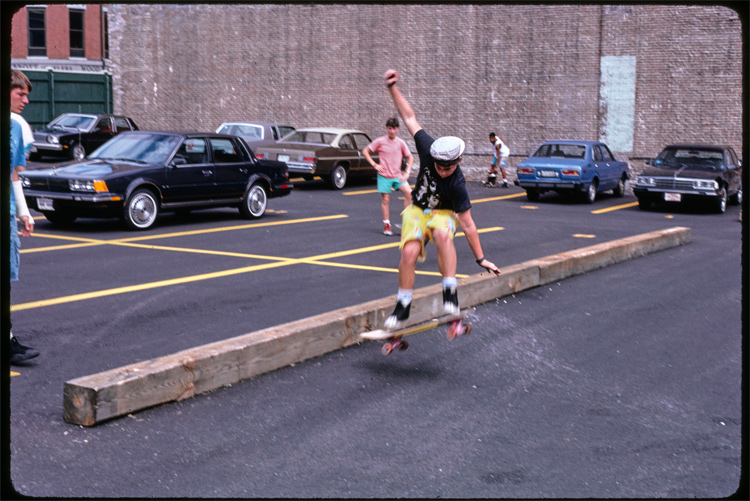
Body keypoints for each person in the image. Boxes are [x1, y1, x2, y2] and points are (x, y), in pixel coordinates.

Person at [382, 69, 501, 329]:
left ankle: (450, 293)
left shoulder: (458, 184)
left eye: (447, 168)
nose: (442, 171)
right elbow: (410, 117)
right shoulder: (428, 147)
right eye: (438, 167)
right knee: (409, 252)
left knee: (444, 236)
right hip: (417, 210)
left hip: (443, 214)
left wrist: (481, 259)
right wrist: (392, 88)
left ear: (458, 162)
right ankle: (402, 307)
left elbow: (468, 225)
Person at [9, 69, 39, 364]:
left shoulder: (16, 127)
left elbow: (14, 173)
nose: (26, 100)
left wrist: (23, 212)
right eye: (21, 93)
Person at [362, 117, 413, 235]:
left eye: (394, 129)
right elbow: (365, 151)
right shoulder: (380, 141)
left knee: (409, 193)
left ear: (397, 129)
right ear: (386, 128)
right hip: (384, 175)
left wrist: (407, 172)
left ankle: (406, 223)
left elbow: (410, 157)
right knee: (385, 199)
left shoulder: (401, 143)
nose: (392, 131)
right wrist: (375, 164)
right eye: (389, 129)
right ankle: (386, 225)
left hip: (397, 176)